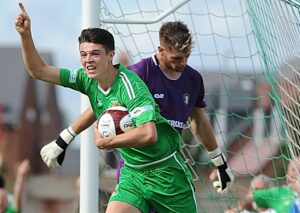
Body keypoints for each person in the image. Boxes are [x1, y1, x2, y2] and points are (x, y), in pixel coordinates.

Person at [15, 3, 235, 212]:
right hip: (132, 172)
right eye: (84, 55)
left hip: (166, 173)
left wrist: (219, 162)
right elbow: (40, 71)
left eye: (94, 54)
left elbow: (151, 132)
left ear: (111, 56)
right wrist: (25, 36)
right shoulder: (93, 78)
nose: (88, 60)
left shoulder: (132, 85)